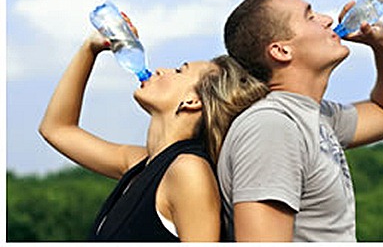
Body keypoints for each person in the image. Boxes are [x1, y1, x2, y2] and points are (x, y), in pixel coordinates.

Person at [218, 0, 383, 242]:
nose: (328, 20)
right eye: (310, 16)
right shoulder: (271, 127)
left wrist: (382, 45)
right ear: (281, 51)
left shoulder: (316, 116)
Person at [38, 20, 269, 241]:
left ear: (192, 101)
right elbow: (56, 129)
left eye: (180, 71)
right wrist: (90, 48)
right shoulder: (140, 164)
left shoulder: (189, 171)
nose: (160, 70)